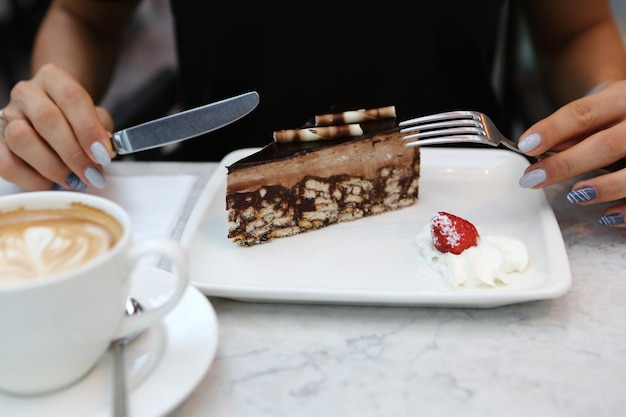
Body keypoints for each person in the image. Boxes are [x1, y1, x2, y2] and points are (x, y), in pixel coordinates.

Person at [0, 0, 625, 227]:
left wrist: (609, 107)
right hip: (206, 218)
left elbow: (576, 30)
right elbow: (83, 17)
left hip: (465, 203)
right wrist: (59, 106)